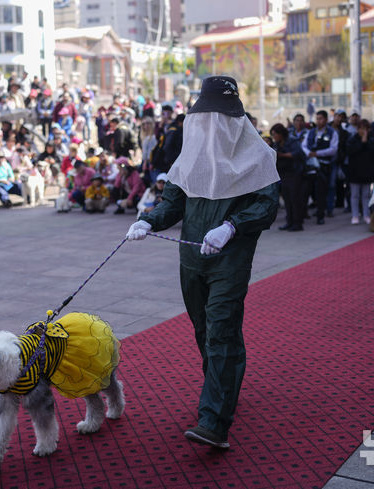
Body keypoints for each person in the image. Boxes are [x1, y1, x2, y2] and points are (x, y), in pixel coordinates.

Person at [126, 76, 280, 449]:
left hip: (230, 257)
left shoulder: (258, 156)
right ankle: (224, 389)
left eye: (218, 120)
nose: (210, 128)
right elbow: (173, 202)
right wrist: (149, 219)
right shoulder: (190, 157)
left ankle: (213, 419)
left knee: (221, 330)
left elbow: (265, 205)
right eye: (204, 119)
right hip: (192, 257)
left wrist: (231, 226)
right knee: (204, 330)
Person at [302, 110, 338, 225]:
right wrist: (309, 153)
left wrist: (318, 153)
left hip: (324, 166)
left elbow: (333, 149)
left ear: (326, 120)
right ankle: (303, 214)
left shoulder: (332, 132)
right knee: (306, 190)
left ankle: (320, 215)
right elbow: (303, 145)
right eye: (317, 118)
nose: (319, 121)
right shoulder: (311, 132)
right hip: (310, 166)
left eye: (321, 118)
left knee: (321, 192)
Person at [270, 122, 305, 231]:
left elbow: (298, 153)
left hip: (294, 174)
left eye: (275, 134)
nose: (274, 137)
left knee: (295, 199)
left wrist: (283, 155)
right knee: (287, 199)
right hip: (283, 175)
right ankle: (289, 221)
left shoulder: (292, 141)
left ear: (281, 134)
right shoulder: (276, 144)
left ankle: (297, 223)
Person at [346, 119, 374, 225]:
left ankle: (366, 214)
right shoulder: (352, 139)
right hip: (355, 171)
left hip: (367, 171)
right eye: (361, 129)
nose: (363, 131)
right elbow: (350, 151)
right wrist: (361, 143)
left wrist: (366, 142)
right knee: (354, 195)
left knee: (366, 195)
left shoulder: (372, 140)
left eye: (365, 129)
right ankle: (355, 215)